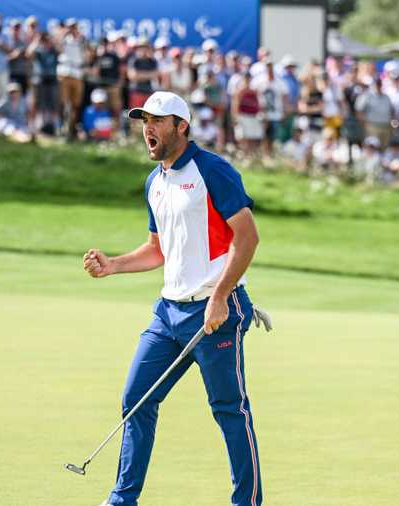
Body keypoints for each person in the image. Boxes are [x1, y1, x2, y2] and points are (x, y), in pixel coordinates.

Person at [83, 91, 264, 506]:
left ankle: (247, 502)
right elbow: (158, 249)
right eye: (143, 120)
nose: (147, 128)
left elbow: (247, 237)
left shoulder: (212, 171)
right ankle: (122, 499)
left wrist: (220, 297)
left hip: (214, 311)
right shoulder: (155, 181)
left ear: (181, 127)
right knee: (136, 401)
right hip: (168, 314)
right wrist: (113, 265)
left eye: (158, 120)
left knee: (228, 409)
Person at [55, 18, 85, 140]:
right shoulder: (63, 39)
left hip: (77, 73)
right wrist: (64, 34)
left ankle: (71, 129)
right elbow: (57, 47)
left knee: (75, 105)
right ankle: (61, 128)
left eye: (74, 27)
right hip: (65, 72)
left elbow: (86, 53)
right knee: (64, 103)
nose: (72, 29)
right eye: (70, 27)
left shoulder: (82, 39)